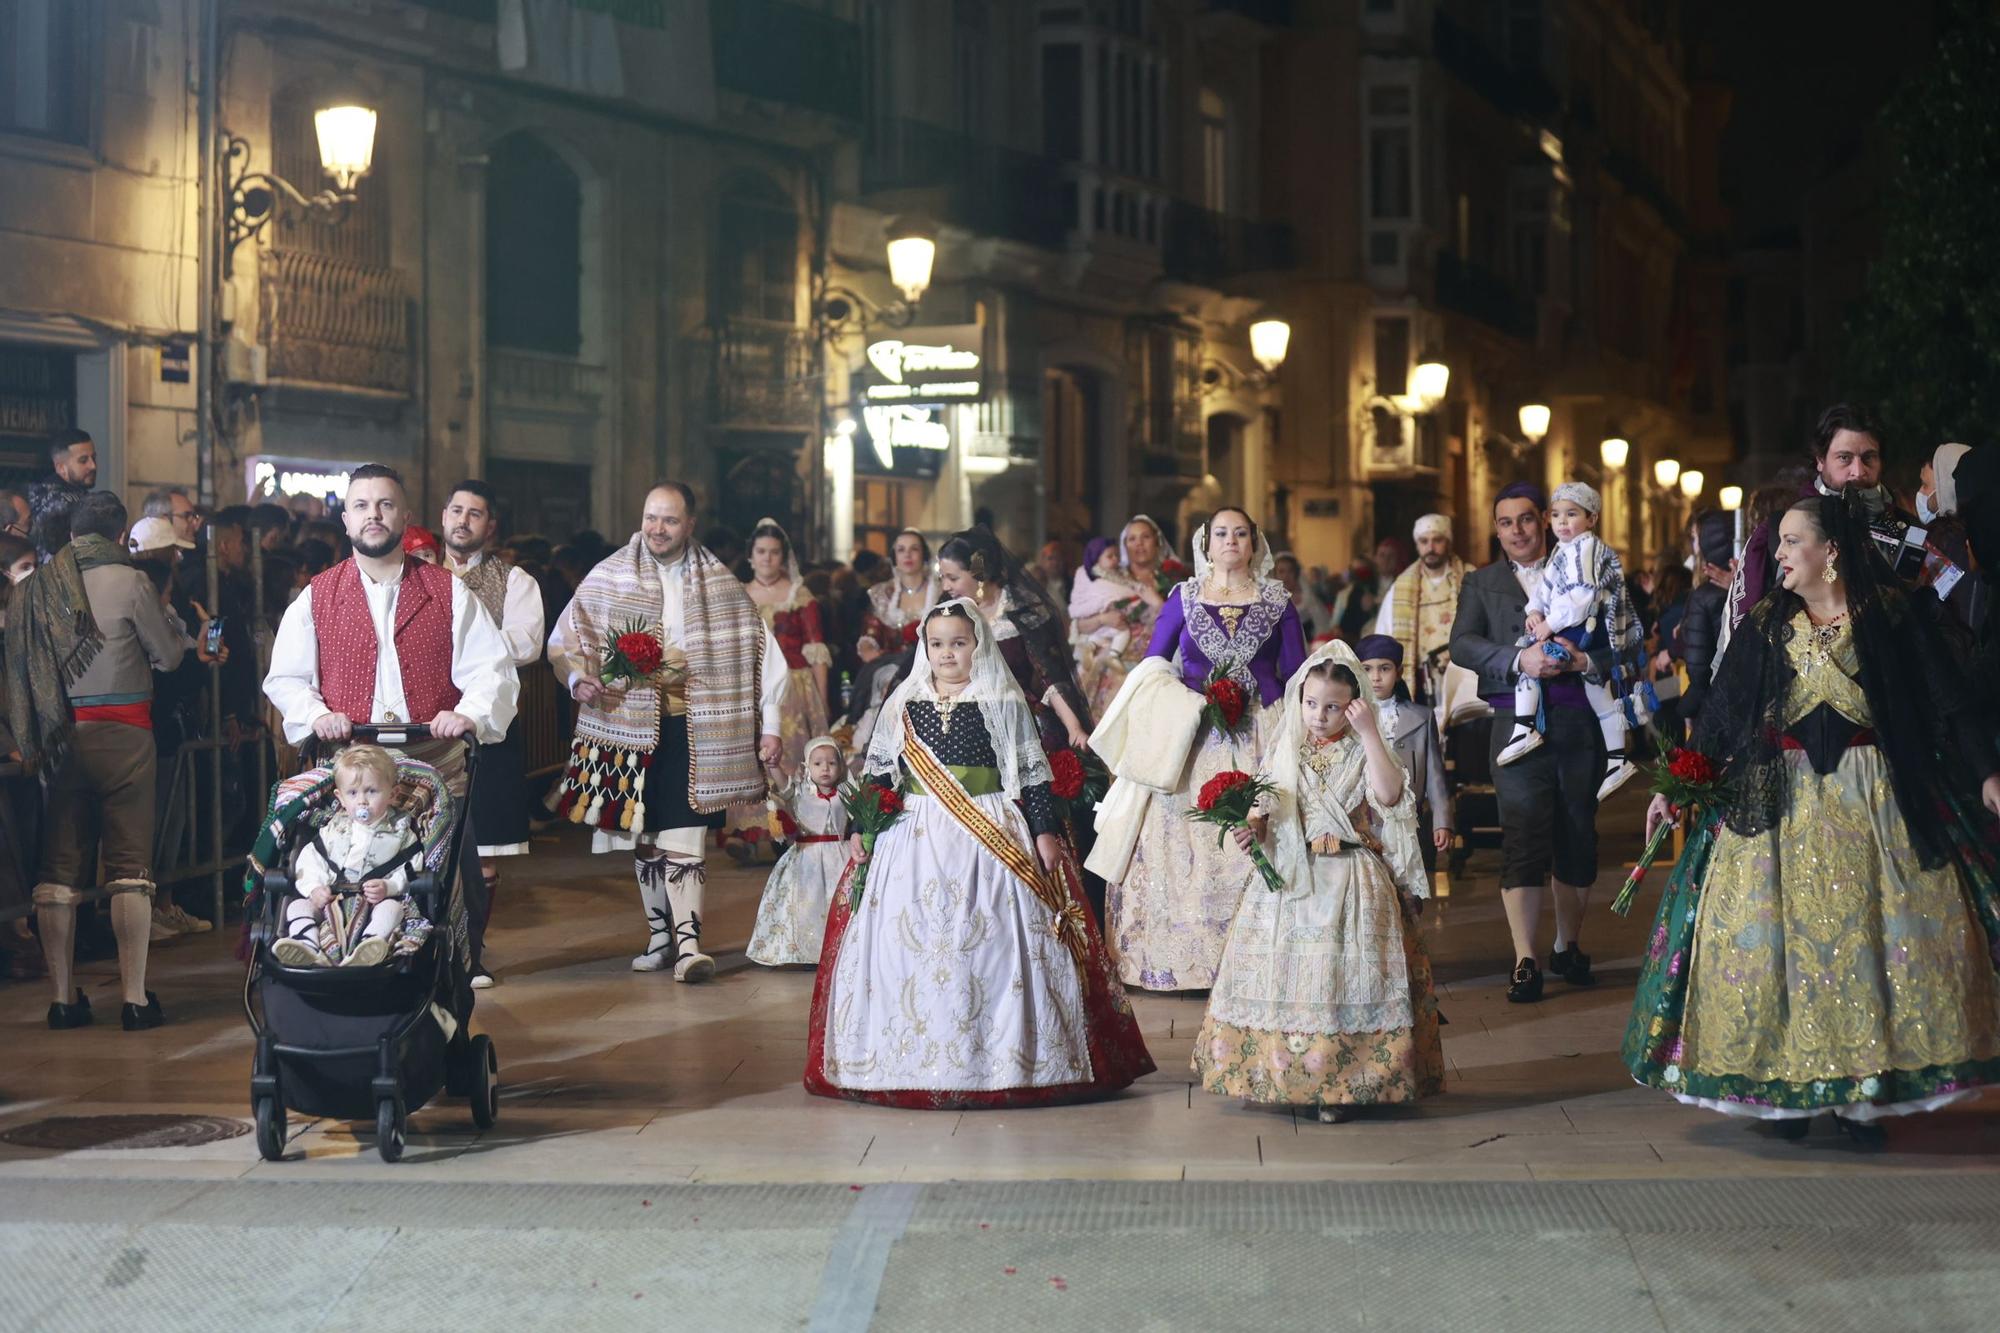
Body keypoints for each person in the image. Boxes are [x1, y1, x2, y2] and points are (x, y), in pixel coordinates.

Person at [1627, 492, 2000, 1144]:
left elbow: (1948, 698)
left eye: (1792, 541)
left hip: (1874, 798)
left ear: (1831, 551)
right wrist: (1681, 783)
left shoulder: (1889, 614)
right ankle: (1789, 1096)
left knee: (1865, 944)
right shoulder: (1769, 620)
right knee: (1782, 950)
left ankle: (1861, 1098)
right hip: (1779, 804)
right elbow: (1723, 709)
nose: (1779, 555)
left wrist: (1987, 772)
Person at [804, 600, 1154, 1107]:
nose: (947, 653)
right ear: (925, 647)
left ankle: (1003, 1058)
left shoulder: (1003, 701)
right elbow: (881, 775)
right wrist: (863, 826)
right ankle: (903, 1059)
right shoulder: (904, 700)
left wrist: (1043, 833)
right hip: (913, 835)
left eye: (959, 643)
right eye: (937, 643)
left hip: (990, 833)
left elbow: (1032, 776)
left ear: (978, 646)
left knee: (990, 940)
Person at [262, 464, 518, 980]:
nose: (373, 515)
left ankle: (458, 961)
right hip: (353, 762)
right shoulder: (317, 595)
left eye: (384, 505)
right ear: (345, 518)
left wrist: (467, 713)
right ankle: (343, 947)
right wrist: (318, 714)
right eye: (361, 505)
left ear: (405, 516)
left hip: (435, 757)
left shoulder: (448, 592)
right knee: (345, 858)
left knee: (449, 861)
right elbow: (285, 678)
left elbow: (493, 670)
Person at [1191, 641, 1441, 1121]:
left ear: (1353, 704)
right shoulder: (1287, 750)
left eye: (1332, 707)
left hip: (1350, 876)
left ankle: (1341, 1083)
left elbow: (1389, 797)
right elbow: (1263, 811)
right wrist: (1252, 830)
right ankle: (1280, 1072)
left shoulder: (1363, 747)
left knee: (1336, 977)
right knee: (1288, 975)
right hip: (1291, 875)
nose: (1319, 716)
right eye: (1310, 704)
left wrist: (1369, 733)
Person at [546, 482, 786, 981]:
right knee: (645, 835)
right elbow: (565, 637)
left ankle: (689, 943)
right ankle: (660, 937)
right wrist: (576, 679)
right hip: (625, 724)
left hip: (694, 726)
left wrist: (773, 723)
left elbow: (763, 653)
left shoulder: (719, 583)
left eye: (670, 520)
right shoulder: (608, 574)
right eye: (651, 518)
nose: (658, 528)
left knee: (685, 832)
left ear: (689, 525)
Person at [8, 491, 211, 1030]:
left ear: (72, 535)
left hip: (59, 739)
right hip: (126, 736)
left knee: (58, 871)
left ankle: (61, 998)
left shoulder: (36, 588)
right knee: (129, 870)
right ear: (121, 536)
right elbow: (168, 657)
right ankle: (134, 998)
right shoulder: (131, 581)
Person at [1091, 506, 1307, 992]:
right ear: (1206, 544)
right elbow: (1152, 665)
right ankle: (1187, 963)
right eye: (1222, 533)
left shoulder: (1277, 600)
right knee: (1185, 846)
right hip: (1192, 741)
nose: (1231, 541)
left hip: (1259, 735)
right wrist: (1187, 703)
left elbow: (1296, 674)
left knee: (1259, 833)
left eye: (1241, 534)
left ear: (1255, 543)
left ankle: (1259, 958)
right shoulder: (1184, 597)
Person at [1449, 482, 1613, 1003]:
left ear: (1544, 520)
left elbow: (1625, 637)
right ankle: (1525, 958)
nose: (1516, 531)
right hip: (1512, 724)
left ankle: (1569, 945)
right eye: (1504, 522)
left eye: (1525, 519)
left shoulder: (1588, 563)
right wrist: (1518, 659)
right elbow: (1462, 644)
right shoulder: (1481, 582)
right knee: (1521, 835)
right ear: (1495, 529)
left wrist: (1589, 661)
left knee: (1577, 831)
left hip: (1579, 723)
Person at [440, 480, 546, 988]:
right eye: (456, 510)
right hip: (425, 725)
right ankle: (430, 952)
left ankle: (472, 953)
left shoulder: (515, 580)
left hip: (490, 726)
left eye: (475, 514)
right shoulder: (414, 574)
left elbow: (525, 644)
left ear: (490, 526)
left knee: (483, 850)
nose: (463, 521)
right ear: (443, 516)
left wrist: (459, 642)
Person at [1494, 482, 1643, 802]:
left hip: (1585, 628)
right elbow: (1546, 588)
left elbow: (1582, 596)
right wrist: (1534, 610)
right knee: (1599, 691)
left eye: (1571, 514)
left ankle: (1524, 726)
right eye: (1558, 515)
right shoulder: (1565, 549)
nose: (1562, 522)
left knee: (1529, 655)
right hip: (1578, 626)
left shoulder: (1587, 548)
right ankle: (1617, 759)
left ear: (1591, 519)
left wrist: (1547, 623)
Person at [726, 518, 831, 861]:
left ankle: (788, 828)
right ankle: (750, 832)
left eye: (774, 553)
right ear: (751, 556)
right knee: (751, 759)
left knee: (788, 759)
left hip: (794, 688)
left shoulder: (799, 596)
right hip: (751, 689)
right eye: (761, 552)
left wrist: (822, 700)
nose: (768, 559)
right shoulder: (739, 594)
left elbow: (816, 651)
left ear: (783, 557)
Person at [937, 527, 1094, 755]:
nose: (946, 587)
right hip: (960, 711)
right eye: (942, 578)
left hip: (1015, 713)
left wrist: (1074, 727)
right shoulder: (949, 610)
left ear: (979, 572)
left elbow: (1048, 674)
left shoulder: (1020, 611)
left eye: (953, 578)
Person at [272, 744, 418, 969]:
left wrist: (389, 887)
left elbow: (412, 868)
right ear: (340, 797)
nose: (362, 801)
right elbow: (311, 860)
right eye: (353, 793)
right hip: (331, 901)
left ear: (392, 794)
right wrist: (314, 889)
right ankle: (307, 945)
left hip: (374, 904)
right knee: (297, 907)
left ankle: (370, 945)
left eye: (372, 791)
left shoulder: (400, 833)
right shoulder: (332, 830)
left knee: (393, 909)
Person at [745, 736, 850, 967]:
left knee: (837, 901)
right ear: (807, 767)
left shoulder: (846, 793)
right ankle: (805, 950)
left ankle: (840, 948)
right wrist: (773, 766)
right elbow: (783, 786)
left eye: (831, 763)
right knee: (806, 902)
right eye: (818, 763)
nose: (825, 768)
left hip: (840, 856)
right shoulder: (801, 791)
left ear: (840, 767)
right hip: (807, 858)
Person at [1355, 634, 1452, 867]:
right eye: (1367, 669)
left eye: (1384, 668)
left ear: (1398, 672)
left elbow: (1435, 774)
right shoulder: (1351, 715)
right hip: (1363, 820)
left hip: (1408, 819)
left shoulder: (1420, 717)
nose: (1375, 677)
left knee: (1408, 887)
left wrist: (1442, 820)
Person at [1067, 515, 1169, 719]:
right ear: (1124, 545)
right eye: (1132, 539)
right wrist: (1103, 620)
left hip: (1155, 667)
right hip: (1113, 667)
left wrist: (1158, 603)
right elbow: (1079, 623)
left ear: (1157, 542)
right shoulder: (1110, 577)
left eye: (1145, 537)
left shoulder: (1170, 581)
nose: (1138, 543)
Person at [1374, 514, 1470, 705]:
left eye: (1437, 540)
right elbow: (1384, 636)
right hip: (1419, 681)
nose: (1430, 547)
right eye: (1424, 541)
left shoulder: (1471, 578)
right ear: (1417, 545)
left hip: (1463, 677)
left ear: (1448, 542)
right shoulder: (1401, 586)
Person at [1672, 510, 1735, 732]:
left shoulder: (1706, 594)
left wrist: (1689, 706)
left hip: (1712, 703)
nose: (1694, 544)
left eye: (1696, 536)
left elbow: (1699, 667)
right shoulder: (1742, 585)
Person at [29, 428, 95, 559]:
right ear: (60, 468)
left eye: (93, 458)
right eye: (83, 460)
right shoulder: (56, 501)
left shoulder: (80, 495)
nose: (93, 466)